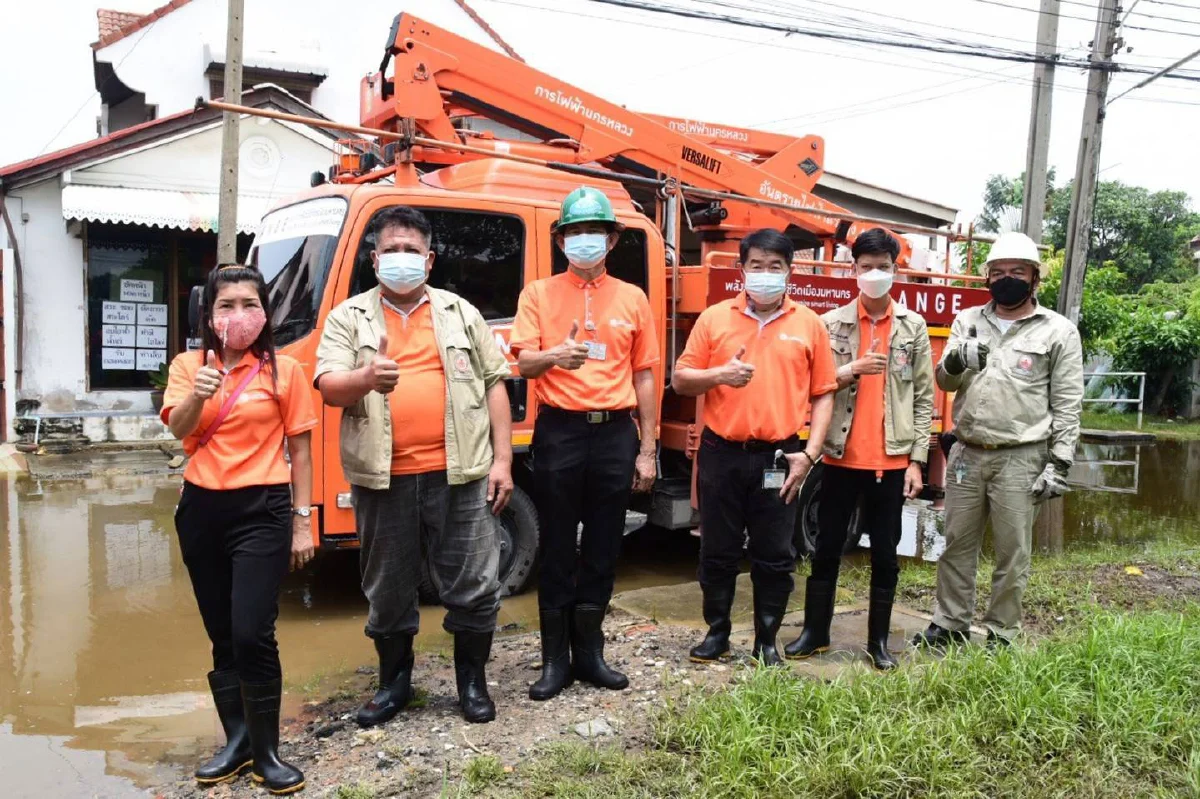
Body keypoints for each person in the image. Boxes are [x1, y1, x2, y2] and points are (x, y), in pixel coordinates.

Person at [315, 206, 512, 726]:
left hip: (462, 473)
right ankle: (394, 685)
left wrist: (504, 461)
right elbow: (329, 386)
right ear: (375, 259)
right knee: (388, 587)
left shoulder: (461, 312)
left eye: (412, 250)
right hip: (384, 480)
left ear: (429, 260)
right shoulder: (348, 317)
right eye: (391, 250)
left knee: (474, 582)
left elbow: (495, 382)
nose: (401, 258)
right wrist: (366, 378)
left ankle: (471, 684)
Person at [163, 264, 317, 795]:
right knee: (222, 633)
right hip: (201, 510)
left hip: (264, 509)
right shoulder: (189, 365)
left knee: (254, 629)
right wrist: (199, 393)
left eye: (249, 304)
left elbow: (300, 448)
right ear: (209, 315)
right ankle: (237, 741)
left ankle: (268, 752)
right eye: (226, 305)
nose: (238, 315)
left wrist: (303, 522)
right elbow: (178, 432)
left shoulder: (285, 371)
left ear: (265, 313)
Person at [509, 186, 659, 700]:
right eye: (574, 232)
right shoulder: (538, 294)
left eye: (593, 231)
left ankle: (591, 654)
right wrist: (555, 355)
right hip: (560, 431)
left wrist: (648, 448)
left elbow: (645, 377)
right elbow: (522, 363)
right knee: (554, 545)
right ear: (560, 239)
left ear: (612, 239)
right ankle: (554, 661)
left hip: (617, 432)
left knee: (602, 545)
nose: (583, 240)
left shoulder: (633, 297)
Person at [672, 228, 837, 666]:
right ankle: (717, 633)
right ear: (742, 269)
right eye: (757, 266)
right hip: (721, 453)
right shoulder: (714, 319)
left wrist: (811, 453)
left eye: (775, 267)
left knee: (775, 555)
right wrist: (719, 376)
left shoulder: (809, 324)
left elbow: (825, 392)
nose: (765, 275)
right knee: (717, 550)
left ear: (790, 272)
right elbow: (681, 378)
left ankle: (767, 639)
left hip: (780, 457)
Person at [913, 231, 1083, 648]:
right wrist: (954, 358)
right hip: (968, 452)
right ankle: (950, 623)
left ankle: (1000, 631)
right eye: (998, 272)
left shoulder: (1058, 331)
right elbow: (945, 379)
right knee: (956, 545)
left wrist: (1059, 463)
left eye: (1017, 272)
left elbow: (1067, 402)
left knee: (1013, 552)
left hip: (1022, 457)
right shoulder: (968, 320)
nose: (1007, 279)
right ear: (988, 278)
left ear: (1034, 279)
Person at [782, 228, 934, 671]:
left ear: (895, 270)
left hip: (891, 461)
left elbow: (924, 398)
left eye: (882, 267)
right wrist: (853, 368)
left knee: (886, 554)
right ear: (853, 270)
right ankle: (815, 634)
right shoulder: (831, 323)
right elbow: (816, 386)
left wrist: (917, 462)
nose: (873, 275)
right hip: (838, 457)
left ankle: (879, 642)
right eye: (865, 267)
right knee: (826, 547)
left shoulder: (913, 327)